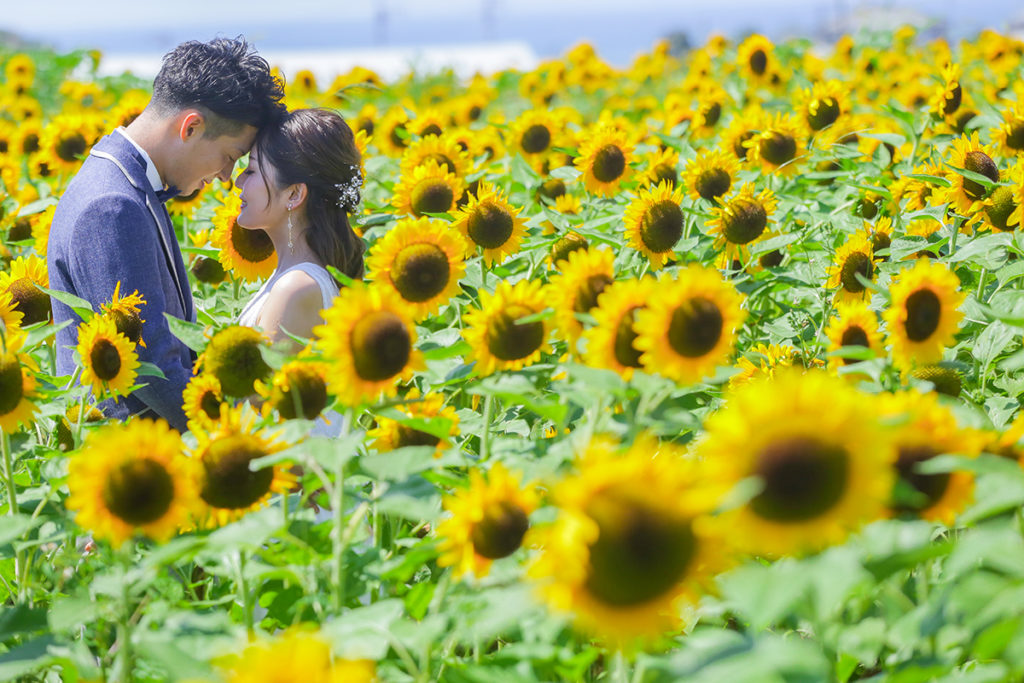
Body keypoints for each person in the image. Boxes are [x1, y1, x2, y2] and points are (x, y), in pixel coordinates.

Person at [48, 37, 285, 432]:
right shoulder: (113, 204)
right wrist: (240, 440)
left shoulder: (123, 180)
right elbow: (148, 361)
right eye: (229, 156)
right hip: (128, 456)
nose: (227, 176)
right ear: (191, 127)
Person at [235, 108, 365, 436]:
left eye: (251, 171)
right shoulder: (299, 277)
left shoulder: (296, 288)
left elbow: (259, 407)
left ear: (294, 194)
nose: (238, 181)